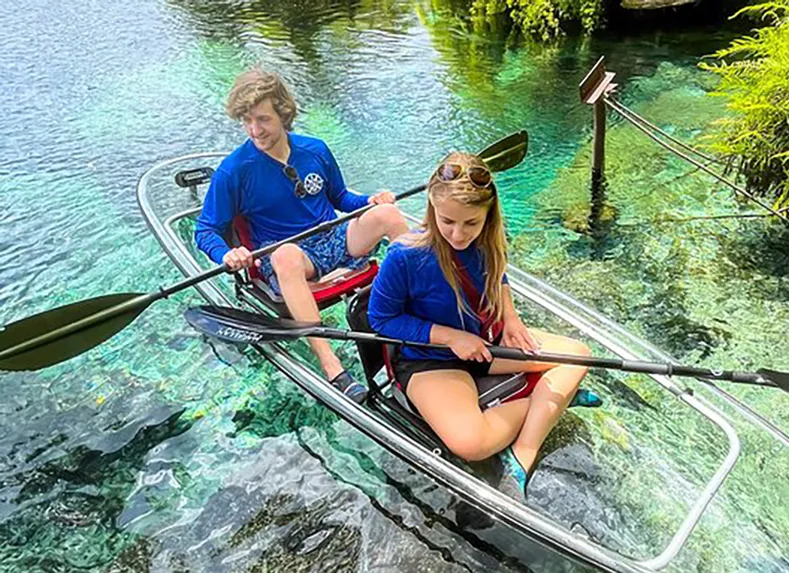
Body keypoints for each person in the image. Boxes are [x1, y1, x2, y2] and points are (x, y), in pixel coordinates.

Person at [367, 151, 601, 501]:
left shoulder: (489, 240)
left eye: (470, 223)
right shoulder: (405, 255)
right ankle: (549, 405)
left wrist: (510, 317)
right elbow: (382, 319)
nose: (458, 234)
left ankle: (522, 453)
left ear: (487, 217)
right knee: (470, 444)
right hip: (431, 359)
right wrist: (450, 337)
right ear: (432, 207)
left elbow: (499, 276)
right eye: (447, 221)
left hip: (484, 344)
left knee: (579, 356)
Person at [195, 69, 408, 404]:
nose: (255, 130)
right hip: (289, 257)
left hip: (333, 239)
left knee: (389, 215)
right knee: (284, 256)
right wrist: (226, 254)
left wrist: (370, 201)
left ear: (283, 112)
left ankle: (419, 309)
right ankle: (333, 367)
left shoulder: (315, 150)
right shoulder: (232, 171)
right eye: (246, 121)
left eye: (262, 119)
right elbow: (205, 229)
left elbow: (341, 199)